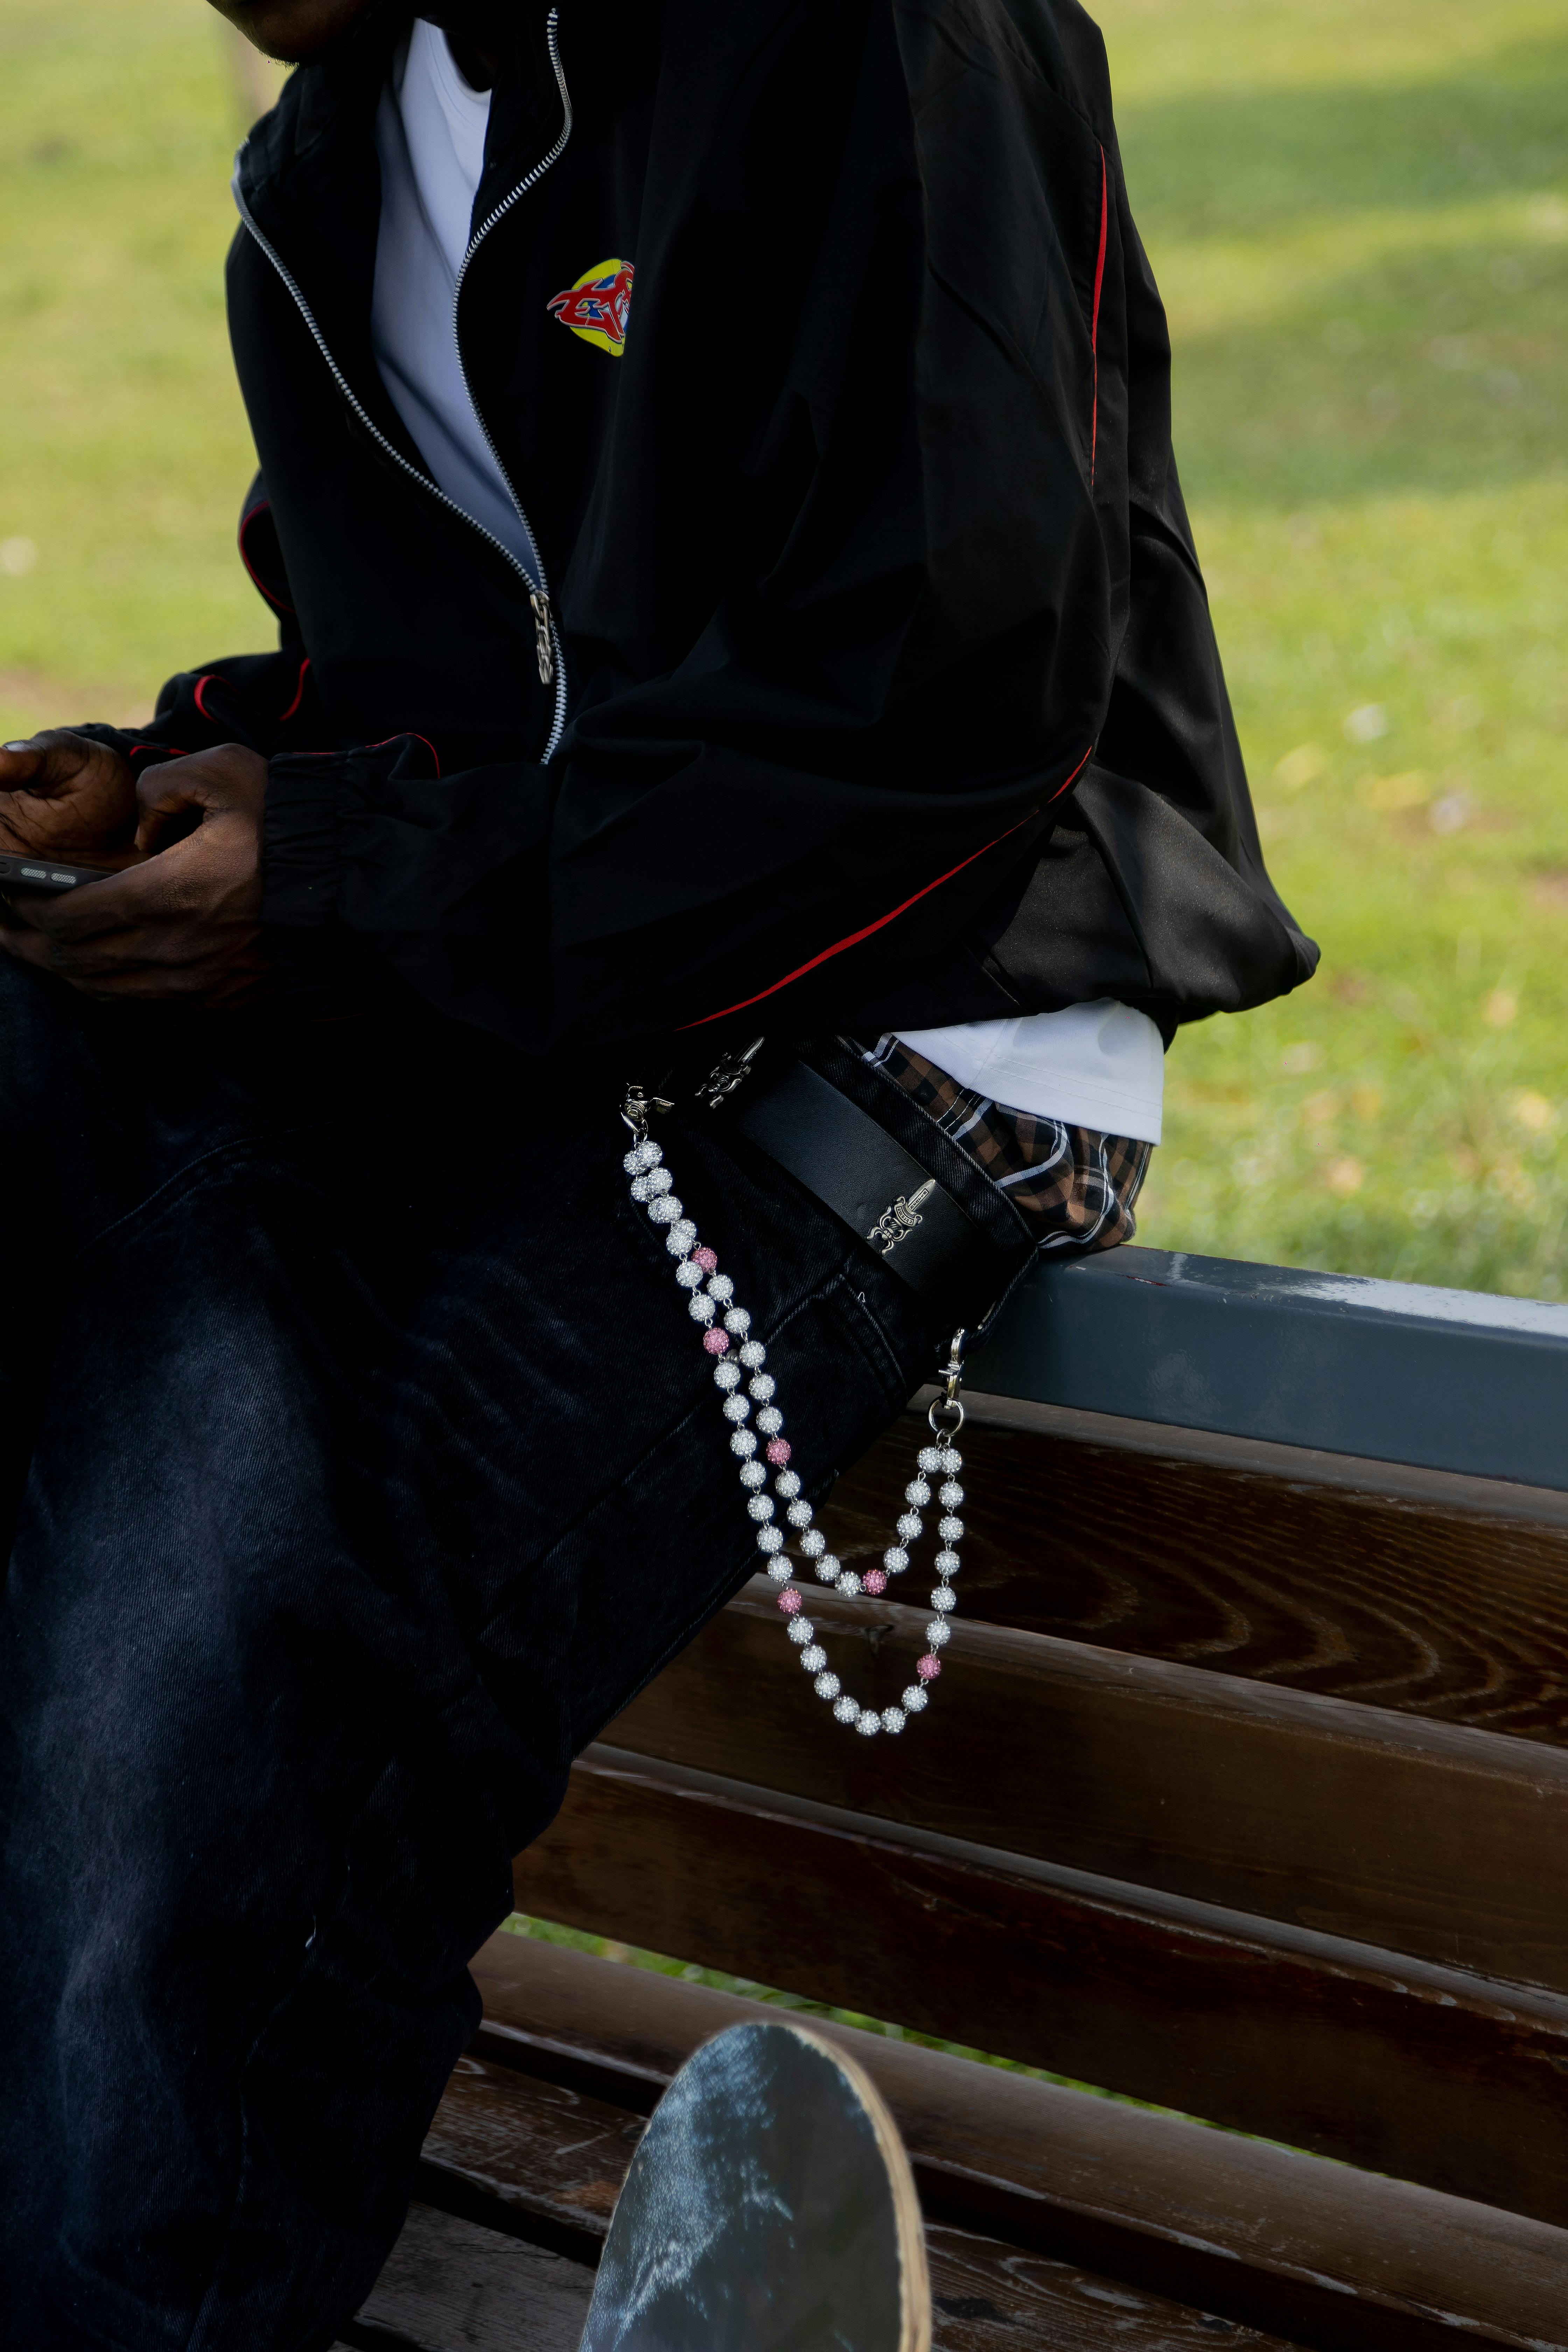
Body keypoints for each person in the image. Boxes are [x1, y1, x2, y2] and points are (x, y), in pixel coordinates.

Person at [0, 0, 1316, 2340]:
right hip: (519, 1000)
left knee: (225, 1647)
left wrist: (346, 883)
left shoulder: (870, 36)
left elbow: (939, 696)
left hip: (906, 1026)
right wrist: (182, 785)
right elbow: (464, 688)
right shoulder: (332, 157)